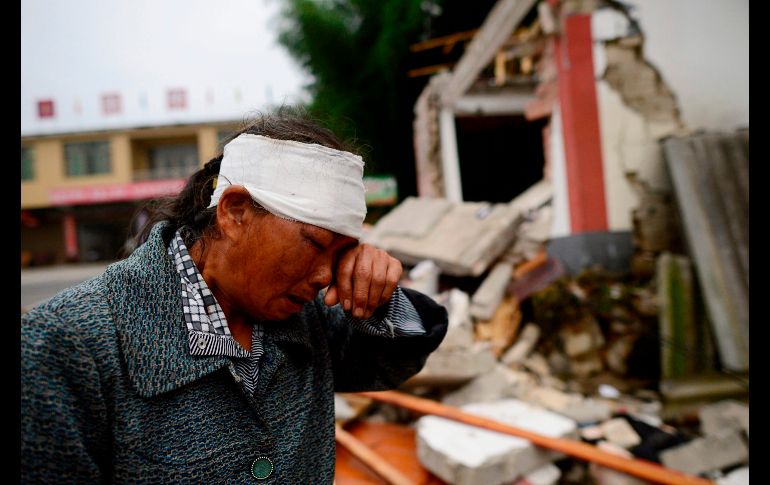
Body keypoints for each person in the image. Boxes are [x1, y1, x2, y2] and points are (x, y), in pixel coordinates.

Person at [21, 111, 448, 483]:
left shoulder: (308, 317)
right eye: (317, 245)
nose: (324, 275)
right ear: (235, 211)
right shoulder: (65, 344)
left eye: (344, 252)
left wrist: (378, 295)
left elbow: (391, 361)